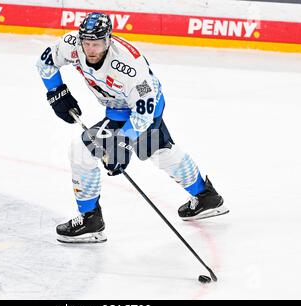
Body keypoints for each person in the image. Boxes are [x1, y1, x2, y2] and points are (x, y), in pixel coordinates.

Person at [36, 12, 229, 243]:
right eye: (87, 43)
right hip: (117, 108)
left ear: (109, 40)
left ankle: (90, 220)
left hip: (143, 110)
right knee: (159, 151)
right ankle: (206, 196)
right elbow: (45, 61)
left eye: (97, 44)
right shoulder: (71, 45)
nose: (91, 49)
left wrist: (121, 145)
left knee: (81, 150)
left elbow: (143, 113)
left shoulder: (128, 66)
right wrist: (57, 93)